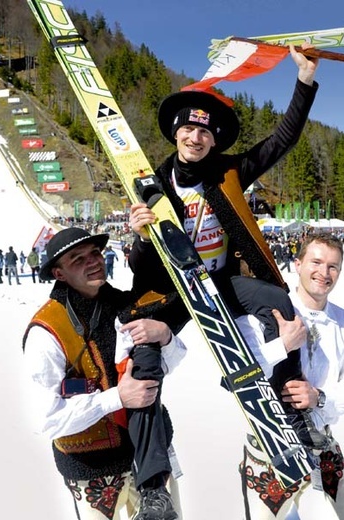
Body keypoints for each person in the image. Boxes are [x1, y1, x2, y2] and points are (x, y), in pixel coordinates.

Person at [129, 44, 328, 448]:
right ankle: (151, 474)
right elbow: (139, 266)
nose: (196, 137)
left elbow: (282, 141)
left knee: (278, 303)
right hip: (176, 289)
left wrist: (304, 80)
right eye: (189, 128)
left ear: (214, 140)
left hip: (222, 281)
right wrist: (140, 235)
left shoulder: (229, 172)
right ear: (176, 132)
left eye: (205, 132)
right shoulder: (152, 185)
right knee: (144, 352)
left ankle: (293, 409)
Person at [22, 228, 187, 520]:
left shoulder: (125, 305)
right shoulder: (46, 331)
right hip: (91, 467)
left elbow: (167, 365)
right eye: (77, 259)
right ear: (59, 274)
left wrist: (165, 336)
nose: (93, 261)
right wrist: (118, 397)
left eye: (95, 253)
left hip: (148, 462)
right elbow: (47, 418)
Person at [235, 233, 344, 519]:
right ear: (297, 264)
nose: (324, 273)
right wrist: (281, 345)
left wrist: (319, 397)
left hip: (321, 446)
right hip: (269, 449)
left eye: (333, 266)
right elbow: (239, 378)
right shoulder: (262, 314)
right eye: (316, 262)